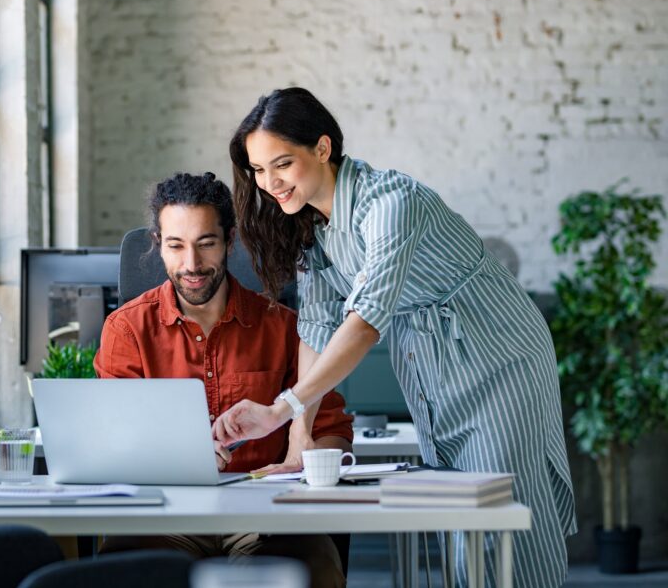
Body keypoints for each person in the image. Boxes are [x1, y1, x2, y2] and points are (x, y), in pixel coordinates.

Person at [213, 87, 577, 588]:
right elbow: (318, 325)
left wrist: (280, 409)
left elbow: (362, 323)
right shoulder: (312, 226)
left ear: (322, 148)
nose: (269, 182)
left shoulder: (390, 203)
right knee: (459, 525)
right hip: (430, 365)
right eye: (258, 169)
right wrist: (299, 439)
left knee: (501, 520)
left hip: (497, 357)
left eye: (282, 163)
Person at [95, 171, 353, 588]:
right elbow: (111, 443)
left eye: (206, 244)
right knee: (117, 576)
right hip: (165, 518)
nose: (192, 265)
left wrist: (305, 459)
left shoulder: (283, 328)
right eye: (176, 246)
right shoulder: (127, 330)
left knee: (313, 569)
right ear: (158, 244)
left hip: (264, 518)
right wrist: (182, 458)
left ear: (230, 242)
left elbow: (333, 431)